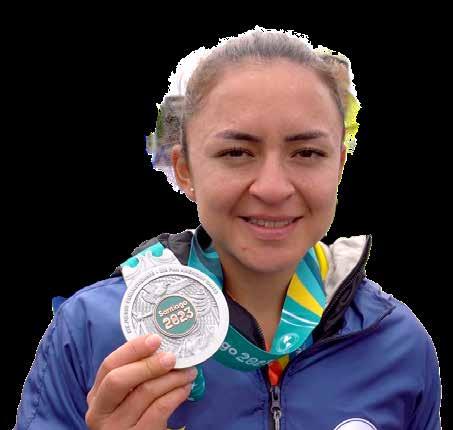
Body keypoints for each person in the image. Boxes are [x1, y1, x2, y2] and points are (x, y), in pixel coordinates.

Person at [15, 27, 441, 429]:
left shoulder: (398, 343)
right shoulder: (91, 331)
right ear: (185, 170)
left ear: (339, 167)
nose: (273, 188)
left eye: (308, 153)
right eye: (237, 152)